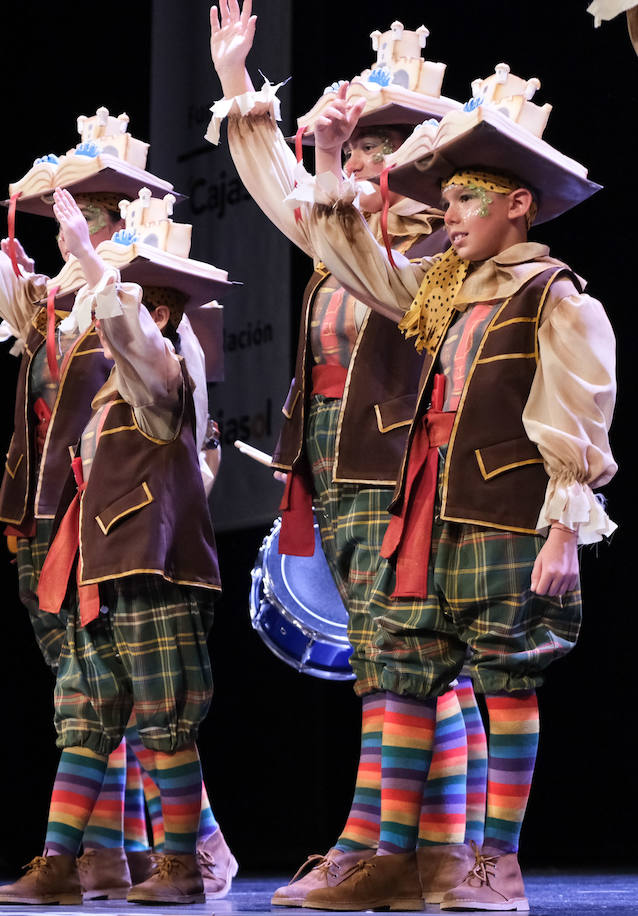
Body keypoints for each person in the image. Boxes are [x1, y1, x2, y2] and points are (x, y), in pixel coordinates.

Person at [296, 61, 615, 912]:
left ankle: (494, 863)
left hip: (503, 510)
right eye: (449, 199)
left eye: (470, 198)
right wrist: (329, 162)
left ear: (520, 205)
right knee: (401, 666)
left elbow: (577, 418)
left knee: (507, 673)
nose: (449, 214)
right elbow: (355, 259)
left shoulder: (555, 295)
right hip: (423, 507)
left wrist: (562, 534)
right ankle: (383, 858)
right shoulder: (438, 291)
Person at [0, 99, 235, 901]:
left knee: (153, 701)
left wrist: (159, 515)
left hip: (134, 526)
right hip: (55, 526)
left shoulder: (157, 315)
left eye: (83, 216)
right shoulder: (50, 306)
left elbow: (177, 410)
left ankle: (185, 853)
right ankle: (99, 857)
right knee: (88, 700)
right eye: (63, 217)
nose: (68, 231)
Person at [205, 1, 488, 905]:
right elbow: (281, 190)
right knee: (399, 652)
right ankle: (429, 853)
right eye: (355, 146)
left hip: (409, 462)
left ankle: (399, 847)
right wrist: (238, 85)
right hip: (339, 461)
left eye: (377, 145)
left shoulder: (446, 245)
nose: (361, 159)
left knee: (417, 653)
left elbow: (389, 289)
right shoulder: (342, 231)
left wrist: (327, 173)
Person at [0, 188, 230, 906]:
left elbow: (144, 351)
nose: (97, 317)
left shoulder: (162, 381)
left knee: (165, 716)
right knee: (85, 713)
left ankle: (181, 865)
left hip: (157, 571)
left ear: (152, 314)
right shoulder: (99, 402)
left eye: (114, 305)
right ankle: (59, 863)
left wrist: (96, 266)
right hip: (99, 572)